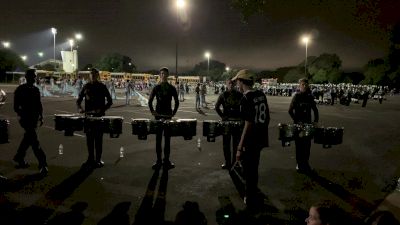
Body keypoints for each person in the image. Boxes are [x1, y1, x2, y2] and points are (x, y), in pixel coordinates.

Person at [233, 69, 270, 207]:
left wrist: (239, 146)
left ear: (242, 82)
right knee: (254, 167)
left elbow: (247, 123)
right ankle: (253, 191)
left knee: (248, 170)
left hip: (250, 139)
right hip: (260, 138)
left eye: (237, 81)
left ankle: (250, 196)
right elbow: (267, 118)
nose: (237, 84)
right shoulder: (261, 95)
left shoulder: (245, 98)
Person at [13, 69, 48, 175]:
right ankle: (43, 164)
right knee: (34, 141)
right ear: (27, 77)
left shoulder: (36, 90)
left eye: (35, 76)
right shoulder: (20, 89)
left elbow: (39, 104)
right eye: (33, 76)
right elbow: (15, 106)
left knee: (27, 138)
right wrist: (22, 114)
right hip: (25, 119)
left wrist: (41, 116)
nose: (34, 78)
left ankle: (19, 157)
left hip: (34, 119)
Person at [77, 68, 113, 168]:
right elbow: (78, 101)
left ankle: (98, 159)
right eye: (91, 74)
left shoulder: (102, 86)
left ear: (97, 75)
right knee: (89, 139)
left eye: (94, 74)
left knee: (98, 139)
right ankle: (90, 159)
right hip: (88, 117)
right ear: (89, 75)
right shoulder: (86, 86)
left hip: (99, 117)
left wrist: (102, 110)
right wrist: (80, 108)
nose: (92, 75)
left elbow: (110, 101)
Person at [148, 67, 179, 170]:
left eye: (165, 74)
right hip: (159, 116)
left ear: (168, 75)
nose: (163, 75)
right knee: (158, 140)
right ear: (159, 75)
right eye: (161, 73)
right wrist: (153, 112)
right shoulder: (156, 88)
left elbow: (177, 102)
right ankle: (158, 161)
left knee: (167, 140)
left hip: (167, 116)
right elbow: (150, 101)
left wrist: (173, 113)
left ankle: (166, 161)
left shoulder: (171, 88)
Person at [288, 78, 319, 174]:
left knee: (307, 145)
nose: (304, 86)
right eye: (302, 84)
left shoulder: (310, 97)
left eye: (306, 84)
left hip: (308, 124)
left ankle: (306, 164)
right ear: (299, 86)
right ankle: (299, 164)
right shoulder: (296, 96)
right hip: (298, 125)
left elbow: (315, 110)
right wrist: (297, 121)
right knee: (299, 145)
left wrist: (315, 121)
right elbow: (290, 111)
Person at [215, 79, 242, 169]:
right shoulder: (223, 95)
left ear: (234, 84)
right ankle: (228, 162)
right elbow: (217, 107)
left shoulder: (239, 95)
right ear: (226, 84)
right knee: (226, 144)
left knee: (235, 144)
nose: (230, 85)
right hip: (227, 122)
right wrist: (222, 116)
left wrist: (241, 117)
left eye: (232, 83)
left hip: (235, 122)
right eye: (229, 83)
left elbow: (244, 107)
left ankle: (234, 162)